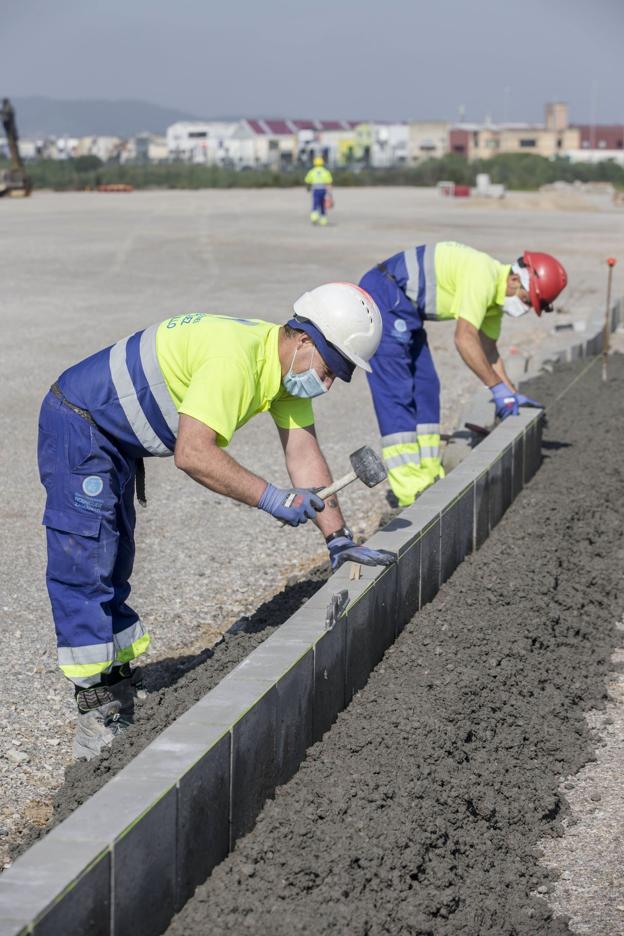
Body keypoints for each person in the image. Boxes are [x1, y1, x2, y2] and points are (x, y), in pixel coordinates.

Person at [37, 283, 394, 759]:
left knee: (115, 555)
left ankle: (115, 684)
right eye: (329, 371)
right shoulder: (237, 362)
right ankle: (93, 710)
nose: (326, 386)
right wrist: (270, 497)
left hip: (113, 438)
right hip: (79, 422)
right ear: (306, 340)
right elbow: (193, 454)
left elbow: (304, 452)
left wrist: (339, 539)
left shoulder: (283, 369)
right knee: (86, 561)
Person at [359, 242, 567, 508]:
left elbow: (490, 352)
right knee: (397, 392)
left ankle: (430, 474)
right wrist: (496, 389)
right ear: (515, 278)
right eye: (526, 300)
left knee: (426, 387)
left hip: (407, 310)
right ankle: (411, 491)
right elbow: (464, 339)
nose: (524, 308)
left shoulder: (496, 302)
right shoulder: (483, 275)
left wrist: (512, 395)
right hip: (384, 294)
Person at [304, 155, 333, 226]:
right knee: (323, 206)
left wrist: (308, 188)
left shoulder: (312, 171)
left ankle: (314, 217)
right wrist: (330, 194)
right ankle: (323, 220)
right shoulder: (325, 172)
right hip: (323, 190)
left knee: (315, 204)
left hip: (316, 190)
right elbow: (328, 183)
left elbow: (308, 181)